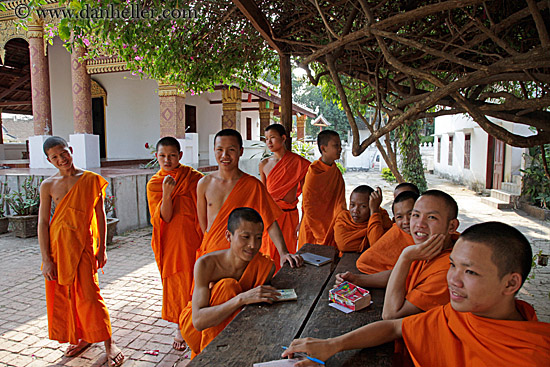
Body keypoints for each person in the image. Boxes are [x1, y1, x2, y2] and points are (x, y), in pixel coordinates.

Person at [282, 222, 550, 367]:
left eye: (470, 273)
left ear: (510, 283)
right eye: (453, 265)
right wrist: (333, 345)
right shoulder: (458, 316)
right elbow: (395, 326)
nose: (453, 280)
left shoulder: (531, 357)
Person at [38, 136, 124, 367]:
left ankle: (109, 343)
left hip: (84, 247)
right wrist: (46, 259)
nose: (61, 159)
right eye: (54, 157)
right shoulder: (48, 185)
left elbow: (100, 215)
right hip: (58, 249)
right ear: (48, 160)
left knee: (90, 296)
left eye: (63, 153)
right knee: (65, 297)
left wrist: (102, 248)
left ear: (71, 150)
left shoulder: (90, 180)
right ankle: (83, 337)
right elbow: (43, 223)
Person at [336, 190, 459, 319]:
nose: (419, 224)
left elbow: (391, 315)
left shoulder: (449, 269)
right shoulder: (430, 248)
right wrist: (357, 279)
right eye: (416, 215)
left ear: (452, 226)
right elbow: (404, 274)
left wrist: (406, 257)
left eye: (431, 217)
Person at [179, 207, 279, 358]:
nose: (253, 245)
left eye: (258, 238)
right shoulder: (206, 265)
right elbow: (198, 321)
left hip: (238, 332)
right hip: (198, 330)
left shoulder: (265, 267)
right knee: (227, 287)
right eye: (245, 237)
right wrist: (241, 298)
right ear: (228, 236)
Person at [196, 129, 302, 268]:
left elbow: (270, 220)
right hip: (212, 255)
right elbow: (204, 225)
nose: (224, 155)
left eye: (231, 150)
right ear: (214, 150)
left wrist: (283, 252)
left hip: (241, 257)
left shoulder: (252, 185)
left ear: (241, 151)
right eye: (219, 149)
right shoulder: (204, 184)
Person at [146, 137, 203, 351]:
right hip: (171, 241)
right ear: (156, 157)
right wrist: (167, 192)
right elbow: (165, 217)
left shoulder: (193, 178)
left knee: (196, 278)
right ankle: (180, 325)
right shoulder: (154, 183)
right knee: (177, 280)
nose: (167, 160)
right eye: (162, 156)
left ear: (180, 155)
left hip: (194, 237)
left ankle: (197, 319)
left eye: (172, 155)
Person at [259, 124, 310, 269]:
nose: (269, 142)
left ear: (283, 138)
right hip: (270, 217)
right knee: (268, 255)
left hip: (289, 216)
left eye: (272, 138)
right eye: (266, 139)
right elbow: (263, 196)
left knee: (288, 256)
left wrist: (303, 220)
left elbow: (307, 198)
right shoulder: (264, 164)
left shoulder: (300, 163)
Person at [297, 130, 346, 248]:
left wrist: (341, 224)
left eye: (340, 145)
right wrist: (320, 232)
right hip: (312, 229)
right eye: (336, 146)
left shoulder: (336, 172)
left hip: (332, 228)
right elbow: (309, 206)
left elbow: (340, 202)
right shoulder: (314, 172)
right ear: (323, 149)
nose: (340, 149)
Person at [356, 191, 419, 274]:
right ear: (394, 219)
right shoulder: (396, 232)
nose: (406, 221)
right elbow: (366, 260)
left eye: (410, 214)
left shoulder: (430, 232)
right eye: (399, 217)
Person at [322, 185, 391, 253]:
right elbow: (344, 245)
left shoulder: (380, 217)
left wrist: (374, 212)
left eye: (363, 206)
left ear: (372, 206)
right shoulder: (344, 218)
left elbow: (377, 246)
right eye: (352, 205)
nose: (355, 210)